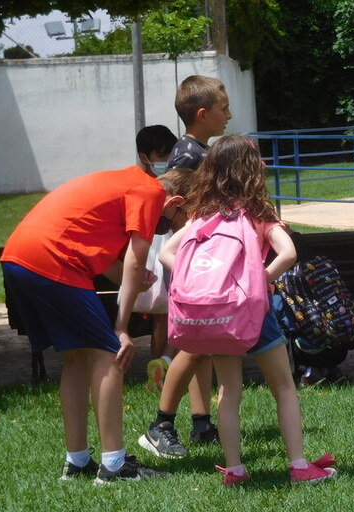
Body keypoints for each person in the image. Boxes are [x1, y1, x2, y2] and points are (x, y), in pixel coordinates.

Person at [157, 134, 337, 485]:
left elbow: (167, 253)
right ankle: (299, 466)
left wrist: (195, 283)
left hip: (219, 318)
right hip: (254, 316)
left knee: (228, 392)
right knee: (284, 387)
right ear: (247, 169)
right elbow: (288, 253)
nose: (265, 164)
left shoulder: (203, 214)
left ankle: (235, 470)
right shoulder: (257, 212)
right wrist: (260, 279)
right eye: (259, 160)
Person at [0, 166, 193, 483]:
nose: (171, 230)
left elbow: (107, 258)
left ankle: (76, 463)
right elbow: (134, 260)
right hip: (54, 259)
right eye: (179, 222)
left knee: (77, 355)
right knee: (110, 355)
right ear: (176, 202)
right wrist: (121, 328)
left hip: (21, 256)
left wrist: (132, 278)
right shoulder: (151, 192)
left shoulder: (127, 184)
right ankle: (114, 466)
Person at [140, 75, 233, 459]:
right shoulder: (188, 156)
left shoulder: (198, 150)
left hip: (199, 259)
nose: (229, 115)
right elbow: (180, 210)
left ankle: (201, 423)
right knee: (194, 345)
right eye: (223, 110)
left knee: (201, 346)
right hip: (192, 261)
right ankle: (161, 424)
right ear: (202, 114)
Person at [135, 125, 180, 374]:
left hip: (161, 248)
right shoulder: (148, 187)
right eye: (161, 156)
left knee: (165, 314)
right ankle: (162, 364)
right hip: (158, 249)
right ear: (145, 157)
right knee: (163, 314)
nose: (166, 161)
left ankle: (163, 363)